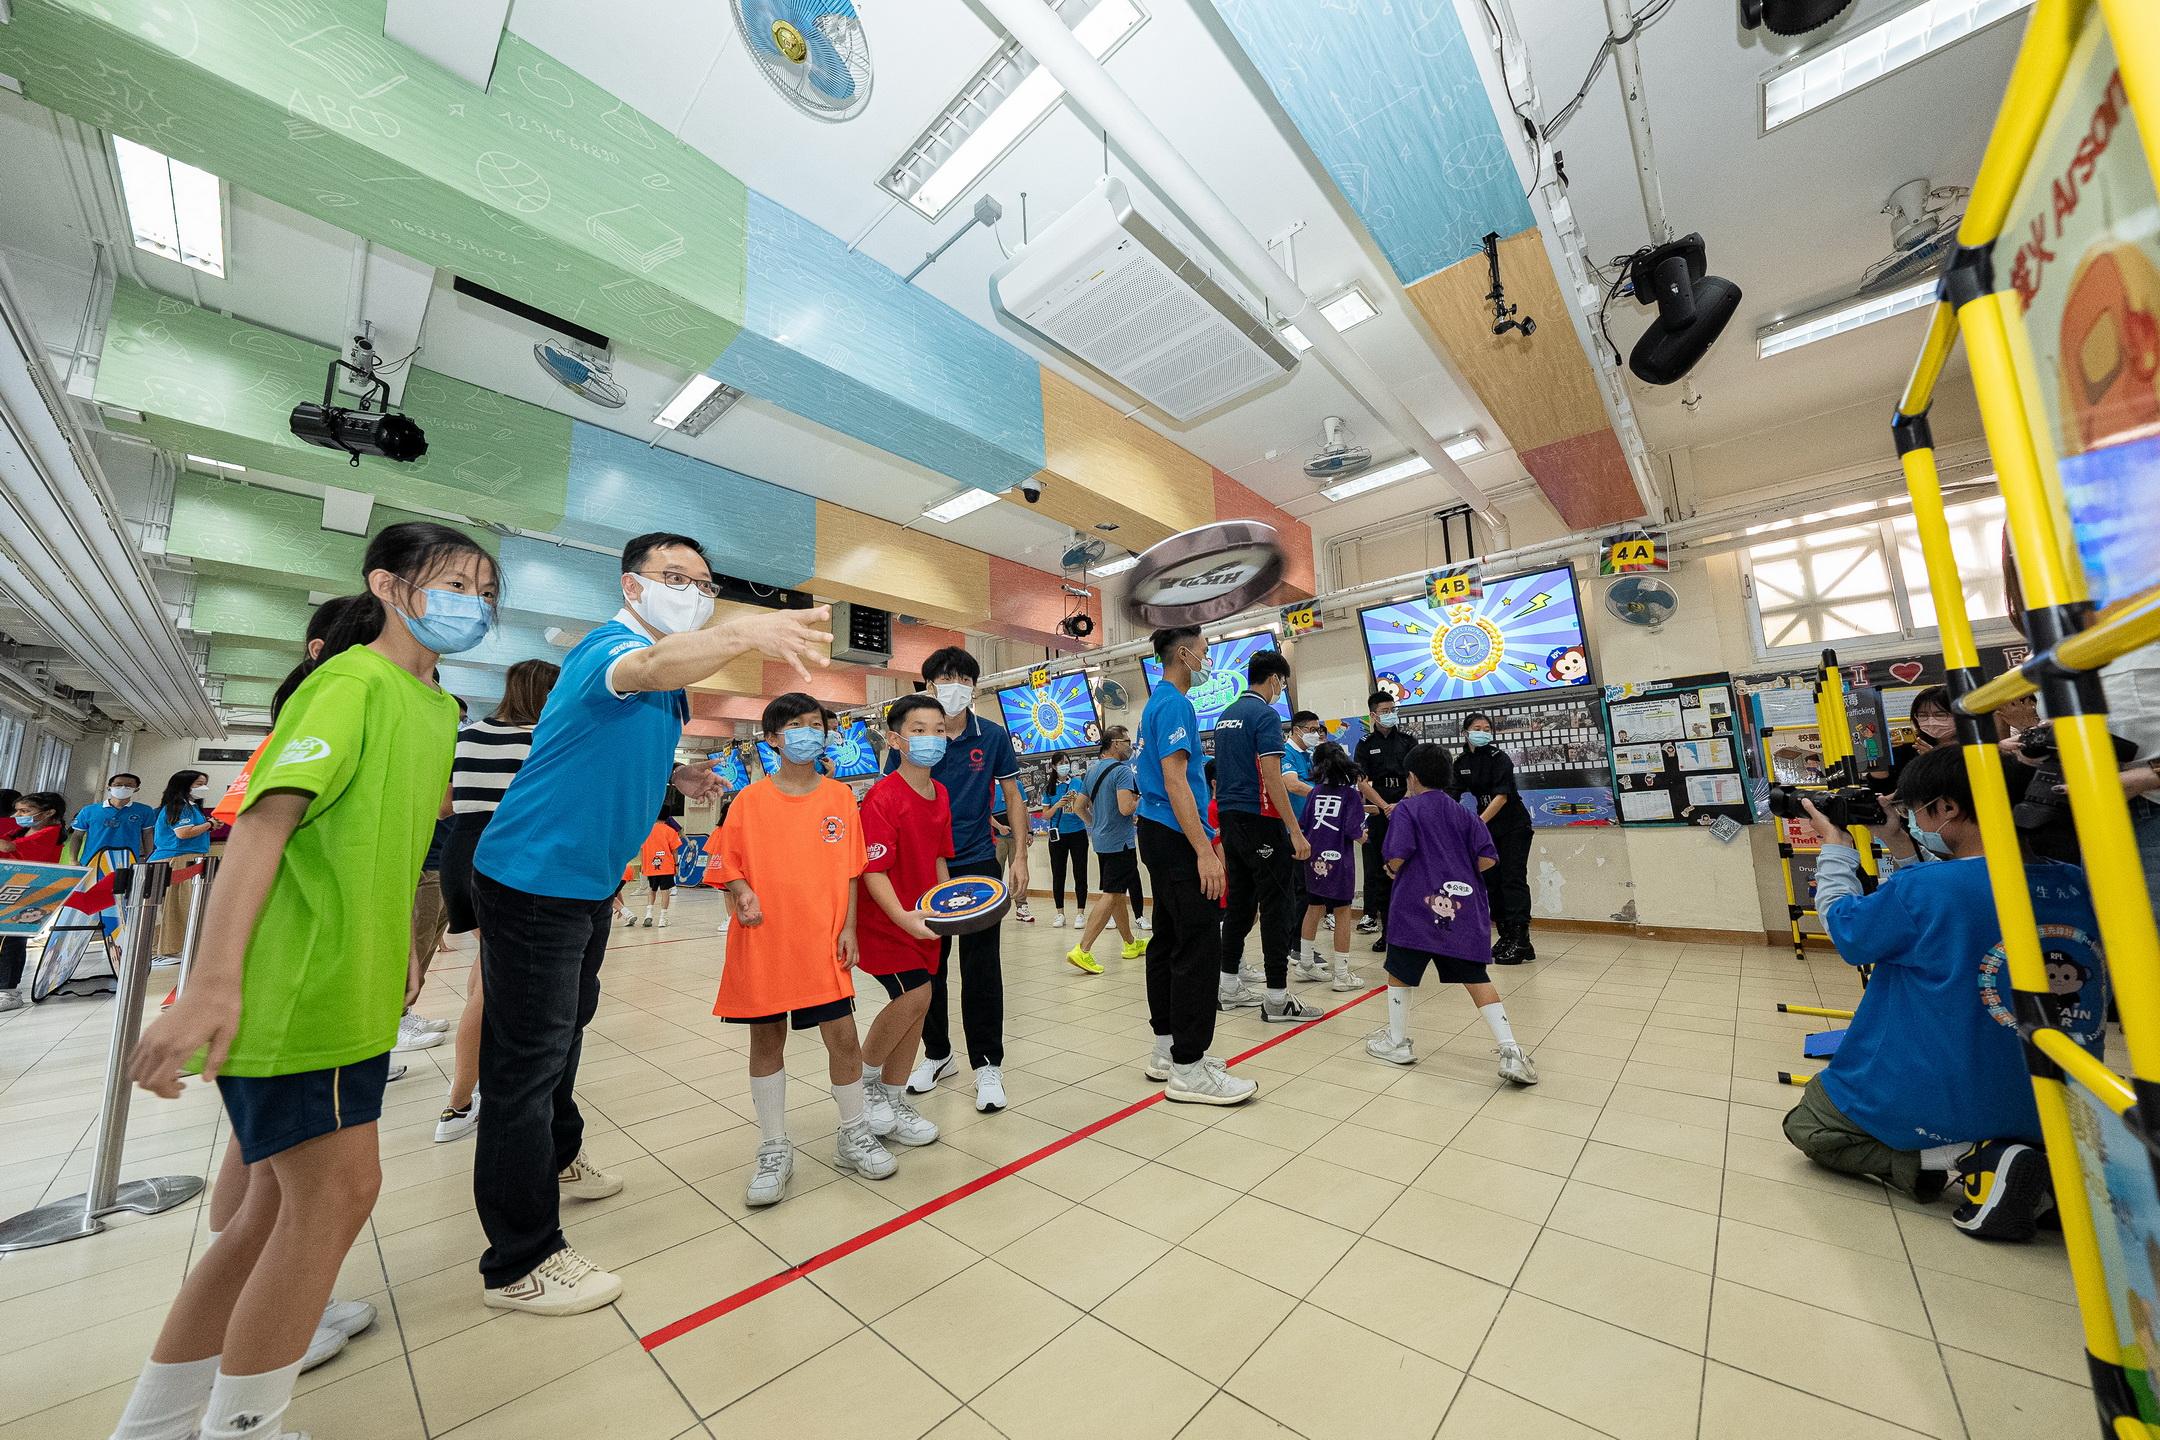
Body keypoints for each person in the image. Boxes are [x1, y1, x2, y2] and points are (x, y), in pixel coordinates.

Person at [113, 521, 493, 1440]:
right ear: (391, 587)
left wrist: (403, 940)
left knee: (268, 1214)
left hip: (357, 980)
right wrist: (210, 983)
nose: (471, 604)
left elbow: (388, 839)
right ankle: (244, 1423)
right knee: (332, 1197)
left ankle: (158, 1423)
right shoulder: (349, 682)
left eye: (486, 590)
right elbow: (264, 825)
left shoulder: (436, 709)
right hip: (302, 986)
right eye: (451, 583)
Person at [469, 532, 831, 1315]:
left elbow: (603, 745)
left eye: (705, 585)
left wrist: (677, 779)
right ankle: (520, 1261)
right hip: (534, 877)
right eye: (677, 580)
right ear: (633, 587)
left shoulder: (665, 679)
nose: (695, 595)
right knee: (523, 1067)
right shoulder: (613, 647)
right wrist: (744, 631)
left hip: (585, 883)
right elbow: (643, 671)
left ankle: (559, 1159)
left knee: (566, 1033)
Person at [1782, 748, 2107, 1239]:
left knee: (1810, 1124)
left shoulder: (1929, 891)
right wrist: (1899, 841)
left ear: (1948, 808)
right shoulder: (2079, 882)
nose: (1910, 817)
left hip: (1954, 1092)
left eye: (1915, 808)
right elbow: (1958, 893)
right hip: (2055, 1101)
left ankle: (1971, 1157)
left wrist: (1836, 849)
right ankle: (2047, 1163)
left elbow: (1848, 932)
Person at [712, 692, 888, 1207]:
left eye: (816, 724)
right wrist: (741, 890)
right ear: (772, 738)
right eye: (796, 725)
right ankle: (773, 1147)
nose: (807, 733)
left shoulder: (838, 800)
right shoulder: (748, 802)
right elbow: (727, 865)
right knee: (767, 1044)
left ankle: (853, 1132)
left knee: (844, 1040)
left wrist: (849, 927)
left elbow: (852, 872)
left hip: (823, 943)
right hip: (765, 942)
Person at [897, 645, 1027, 1113]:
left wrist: (1020, 857)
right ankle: (938, 1054)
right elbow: (897, 802)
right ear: (928, 685)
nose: (956, 687)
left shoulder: (990, 736)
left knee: (981, 968)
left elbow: (1013, 795)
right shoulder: (912, 737)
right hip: (925, 869)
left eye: (965, 679)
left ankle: (988, 1066)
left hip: (976, 865)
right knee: (927, 968)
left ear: (974, 686)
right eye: (946, 679)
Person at [435, 658, 559, 1145]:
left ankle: (476, 1085)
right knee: (494, 987)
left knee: (486, 970)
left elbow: (445, 805)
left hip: (462, 852)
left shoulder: (467, 735)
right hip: (511, 855)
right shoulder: (540, 739)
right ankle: (459, 1102)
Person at [1366, 743, 1538, 1085]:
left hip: (1414, 908)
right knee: (1476, 978)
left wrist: (1390, 868)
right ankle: (1511, 1051)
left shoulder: (1406, 810)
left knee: (1400, 973)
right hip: (1461, 910)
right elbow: (1488, 859)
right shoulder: (1465, 813)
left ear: (1411, 777)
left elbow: (1398, 855)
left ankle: (1398, 1042)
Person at [1137, 627, 1256, 1105]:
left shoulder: (1159, 704)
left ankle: (1166, 1049)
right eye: (1204, 651)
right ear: (1183, 654)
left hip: (1160, 834)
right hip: (1175, 836)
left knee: (1168, 938)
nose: (1207, 659)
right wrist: (1205, 849)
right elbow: (1176, 780)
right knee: (1199, 943)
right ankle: (1189, 1067)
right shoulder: (1174, 704)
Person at [854, 693, 953, 1150]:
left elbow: (936, 857)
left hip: (925, 921)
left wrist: (950, 908)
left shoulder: (941, 792)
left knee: (917, 1010)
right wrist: (903, 918)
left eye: (938, 730)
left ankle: (893, 1102)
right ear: (896, 739)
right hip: (887, 922)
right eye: (918, 730)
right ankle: (866, 1081)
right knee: (916, 994)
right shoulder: (882, 796)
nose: (931, 739)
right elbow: (871, 869)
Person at [1212, 650, 1319, 1023]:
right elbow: (1273, 778)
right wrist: (1295, 830)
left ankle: (1227, 987)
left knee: (1241, 904)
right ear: (1274, 679)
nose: (1281, 690)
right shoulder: (1265, 714)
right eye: (1282, 683)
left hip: (1230, 821)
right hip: (1261, 820)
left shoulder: (1226, 715)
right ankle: (1277, 998)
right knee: (1278, 905)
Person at [1455, 712, 1535, 964]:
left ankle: (1521, 938)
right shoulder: (1460, 763)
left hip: (1512, 825)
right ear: (1465, 732)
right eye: (1477, 727)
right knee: (1492, 882)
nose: (1483, 731)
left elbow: (1502, 797)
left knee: (1512, 879)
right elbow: (1450, 795)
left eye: (1487, 728)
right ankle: (1506, 934)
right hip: (1487, 829)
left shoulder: (1499, 758)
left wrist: (1477, 824)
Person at [1068, 726, 1148, 975]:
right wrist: (1143, 800)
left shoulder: (1092, 770)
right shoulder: (1122, 771)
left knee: (1116, 892)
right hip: (1120, 842)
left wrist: (1096, 823)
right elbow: (1126, 808)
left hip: (1101, 842)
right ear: (1114, 743)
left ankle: (1130, 944)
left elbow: (1079, 807)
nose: (1129, 746)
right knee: (1112, 893)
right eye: (1126, 741)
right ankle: (1083, 949)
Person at [1297, 742, 1368, 992]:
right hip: (1339, 862)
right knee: (1343, 913)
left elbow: (1304, 823)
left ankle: (1305, 962)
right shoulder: (1349, 795)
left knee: (1313, 907)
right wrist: (1364, 835)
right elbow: (1352, 830)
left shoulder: (1315, 792)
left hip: (1314, 859)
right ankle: (1341, 974)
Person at [1354, 691, 1418, 951]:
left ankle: (1412, 930)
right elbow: (1361, 781)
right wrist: (1383, 806)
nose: (1390, 713)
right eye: (1385, 710)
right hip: (1380, 814)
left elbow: (1416, 776)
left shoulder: (1408, 740)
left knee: (1408, 869)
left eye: (1393, 708)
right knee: (1382, 873)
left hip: (1406, 808)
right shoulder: (1366, 744)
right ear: (1373, 715)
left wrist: (1401, 803)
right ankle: (1388, 931)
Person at [0, 791, 65, 1011]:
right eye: (17, 810)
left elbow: (8, 848)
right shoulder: (20, 830)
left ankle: (9, 991)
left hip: (30, 891)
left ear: (49, 812)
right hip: (8, 886)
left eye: (25, 811)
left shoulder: (50, 832)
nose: (18, 815)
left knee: (12, 941)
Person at [147, 770, 214, 964]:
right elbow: (183, 833)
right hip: (175, 859)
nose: (203, 788)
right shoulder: (178, 806)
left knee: (178, 905)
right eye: (198, 783)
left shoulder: (191, 807)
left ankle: (169, 947)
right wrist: (209, 825)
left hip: (187, 858)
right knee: (173, 906)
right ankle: (165, 949)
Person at [1282, 710, 1322, 975]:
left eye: (1318, 730)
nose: (1315, 734)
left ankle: (1301, 942)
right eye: (1311, 729)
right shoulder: (1286, 754)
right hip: (1291, 829)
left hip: (1312, 828)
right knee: (1299, 891)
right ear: (1296, 730)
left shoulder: (1311, 756)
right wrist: (1324, 792)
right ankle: (1293, 944)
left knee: (1308, 891)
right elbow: (1292, 784)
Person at [1045, 757, 1091, 929]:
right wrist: (1057, 805)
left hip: (1078, 832)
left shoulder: (1078, 783)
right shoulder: (1049, 788)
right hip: (1057, 836)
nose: (1064, 766)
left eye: (1067, 762)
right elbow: (1045, 815)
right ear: (1054, 767)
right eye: (1060, 763)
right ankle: (1060, 913)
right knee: (1058, 874)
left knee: (1080, 873)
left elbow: (1086, 804)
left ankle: (1080, 913)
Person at [628, 811, 682, 927]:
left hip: (651, 867)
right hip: (666, 866)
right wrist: (676, 865)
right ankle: (663, 918)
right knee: (665, 892)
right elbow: (675, 850)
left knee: (652, 890)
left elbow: (642, 849)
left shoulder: (646, 832)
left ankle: (648, 914)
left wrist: (644, 865)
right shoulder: (670, 831)